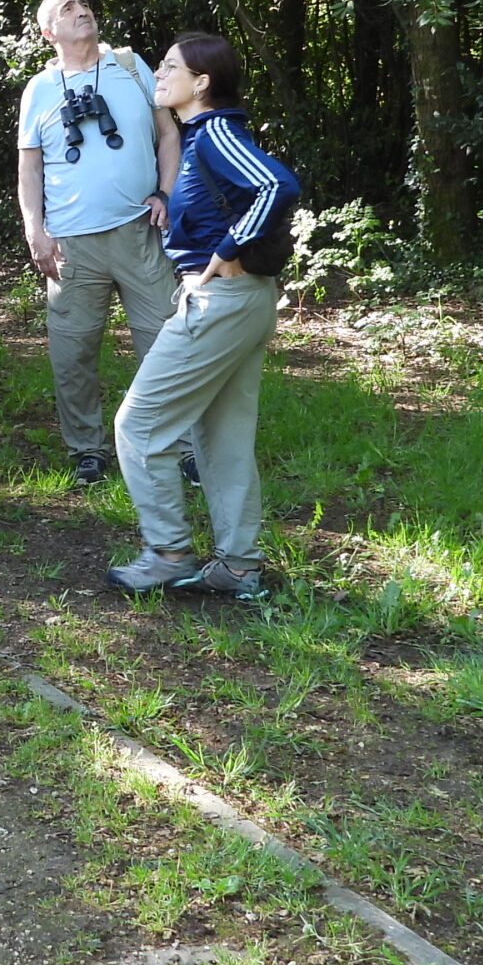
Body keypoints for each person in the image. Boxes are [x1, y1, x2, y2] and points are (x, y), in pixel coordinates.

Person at [105, 35, 299, 600]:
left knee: (138, 427)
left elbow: (277, 184)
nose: (159, 75)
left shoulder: (214, 131)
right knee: (221, 439)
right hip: (240, 303)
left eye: (169, 68)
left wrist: (228, 250)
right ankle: (240, 567)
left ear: (202, 83)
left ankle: (167, 553)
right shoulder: (198, 136)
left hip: (222, 302)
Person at [17, 0, 185, 490]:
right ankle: (86, 450)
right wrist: (34, 229)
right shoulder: (39, 89)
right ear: (49, 34)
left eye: (82, 4)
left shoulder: (132, 67)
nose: (80, 10)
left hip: (139, 232)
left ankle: (183, 447)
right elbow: (28, 163)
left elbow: (170, 135)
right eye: (65, 9)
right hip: (70, 246)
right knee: (73, 354)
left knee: (167, 344)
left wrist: (165, 193)